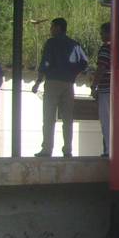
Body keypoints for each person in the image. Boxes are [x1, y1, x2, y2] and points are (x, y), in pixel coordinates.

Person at [31, 17, 88, 157]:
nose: (50, 30)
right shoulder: (74, 44)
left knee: (49, 117)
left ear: (58, 28)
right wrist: (73, 73)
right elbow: (84, 62)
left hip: (52, 82)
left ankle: (47, 149)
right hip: (68, 84)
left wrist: (38, 81)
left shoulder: (52, 43)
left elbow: (45, 63)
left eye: (52, 27)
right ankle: (67, 150)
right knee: (68, 119)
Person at [91, 22, 111, 157]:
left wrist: (94, 85)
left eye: (102, 32)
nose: (101, 35)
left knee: (106, 121)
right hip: (117, 89)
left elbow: (101, 68)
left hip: (105, 89)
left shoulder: (105, 49)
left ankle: (109, 150)